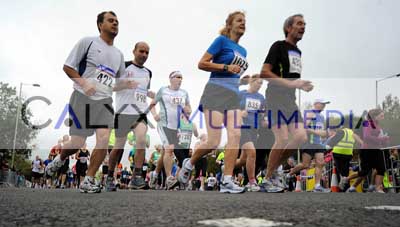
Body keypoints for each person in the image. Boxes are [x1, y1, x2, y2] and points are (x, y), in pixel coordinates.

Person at [46, 11, 133, 193]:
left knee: (103, 139)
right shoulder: (88, 42)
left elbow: (115, 83)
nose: (115, 24)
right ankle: (61, 157)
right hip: (82, 97)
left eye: (117, 21)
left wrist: (125, 85)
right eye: (110, 21)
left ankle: (89, 179)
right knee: (77, 142)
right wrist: (84, 82)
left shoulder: (118, 54)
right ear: (100, 25)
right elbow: (68, 67)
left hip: (105, 101)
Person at [179, 11, 248, 194]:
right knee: (213, 141)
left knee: (235, 135)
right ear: (229, 24)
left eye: (244, 21)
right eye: (239, 21)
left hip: (233, 95)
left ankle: (227, 180)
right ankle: (190, 163)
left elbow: (233, 73)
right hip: (215, 92)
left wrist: (242, 80)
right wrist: (225, 67)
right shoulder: (221, 41)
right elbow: (202, 63)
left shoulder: (243, 51)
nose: (243, 23)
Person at [259, 14, 313, 193]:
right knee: (281, 138)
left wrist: (301, 85)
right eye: (299, 23)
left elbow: (292, 78)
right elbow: (264, 73)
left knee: (300, 137)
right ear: (288, 28)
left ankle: (273, 170)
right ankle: (267, 179)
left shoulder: (298, 52)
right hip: (275, 97)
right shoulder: (278, 46)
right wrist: (291, 83)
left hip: (290, 100)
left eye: (304, 24)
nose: (303, 26)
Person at [106, 42, 154, 191]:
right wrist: (125, 85)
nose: (144, 55)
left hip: (140, 113)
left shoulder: (148, 72)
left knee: (141, 139)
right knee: (118, 147)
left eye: (147, 52)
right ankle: (109, 177)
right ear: (134, 51)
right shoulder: (124, 66)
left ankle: (136, 178)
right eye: (141, 51)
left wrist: (149, 94)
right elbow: (111, 87)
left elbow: (142, 91)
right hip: (124, 112)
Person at [150, 71, 191, 190]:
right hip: (164, 124)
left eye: (181, 77)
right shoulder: (163, 90)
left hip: (177, 127)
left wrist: (187, 110)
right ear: (171, 79)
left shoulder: (184, 93)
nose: (180, 79)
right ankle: (169, 178)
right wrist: (154, 115)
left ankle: (155, 173)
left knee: (165, 150)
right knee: (169, 149)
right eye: (178, 77)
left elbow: (189, 107)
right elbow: (152, 104)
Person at [288, 99, 330, 192]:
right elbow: (304, 127)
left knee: (320, 163)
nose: (324, 106)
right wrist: (317, 132)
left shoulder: (322, 117)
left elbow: (321, 130)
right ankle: (289, 174)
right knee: (305, 164)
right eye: (322, 104)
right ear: (315, 104)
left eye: (325, 104)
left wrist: (324, 134)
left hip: (318, 143)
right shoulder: (310, 113)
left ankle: (317, 185)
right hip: (309, 143)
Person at [234, 74, 265, 191]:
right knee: (252, 153)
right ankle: (252, 182)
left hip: (254, 129)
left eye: (262, 83)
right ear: (252, 81)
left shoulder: (261, 97)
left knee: (243, 160)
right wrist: (240, 113)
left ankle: (226, 168)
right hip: (242, 127)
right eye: (258, 82)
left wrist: (264, 120)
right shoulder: (241, 94)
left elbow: (262, 113)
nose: (260, 85)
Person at [346, 109, 389, 193]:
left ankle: (376, 187)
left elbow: (379, 136)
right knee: (364, 172)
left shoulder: (377, 124)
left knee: (380, 168)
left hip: (376, 149)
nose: (383, 117)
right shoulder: (364, 122)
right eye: (381, 115)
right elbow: (355, 135)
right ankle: (348, 181)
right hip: (366, 149)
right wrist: (362, 143)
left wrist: (384, 140)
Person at [326, 127, 363, 191]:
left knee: (339, 171)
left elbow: (334, 141)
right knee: (345, 172)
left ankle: (341, 187)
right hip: (348, 154)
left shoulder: (342, 131)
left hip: (338, 153)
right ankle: (346, 187)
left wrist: (326, 148)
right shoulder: (353, 133)